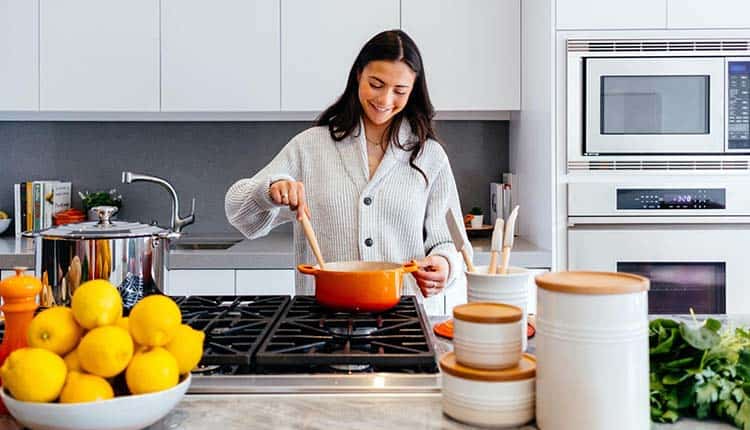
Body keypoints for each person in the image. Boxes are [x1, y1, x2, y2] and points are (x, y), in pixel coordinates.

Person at [225, 30, 470, 311]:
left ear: (413, 91)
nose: (386, 99)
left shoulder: (429, 156)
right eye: (376, 84)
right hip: (320, 320)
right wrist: (269, 190)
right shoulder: (311, 146)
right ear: (358, 76)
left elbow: (448, 241)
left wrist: (444, 265)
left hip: (403, 321)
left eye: (400, 91)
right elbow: (238, 212)